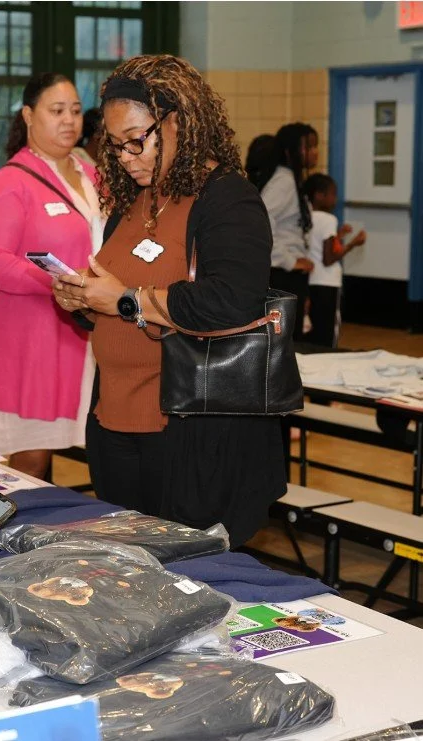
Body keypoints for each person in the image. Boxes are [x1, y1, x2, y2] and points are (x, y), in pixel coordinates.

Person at [52, 54, 286, 548]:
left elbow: (230, 303)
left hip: (189, 434)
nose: (126, 156)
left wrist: (124, 301)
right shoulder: (135, 198)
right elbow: (117, 306)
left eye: (138, 139)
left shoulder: (228, 200)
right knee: (128, 569)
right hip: (116, 421)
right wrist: (83, 301)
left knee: (187, 573)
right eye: (115, 146)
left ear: (178, 121)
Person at [0, 73, 101, 480]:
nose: (69, 121)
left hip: (87, 333)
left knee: (73, 449)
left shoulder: (94, 176)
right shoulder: (10, 181)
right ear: (28, 115)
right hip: (31, 335)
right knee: (27, 461)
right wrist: (56, 281)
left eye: (75, 111)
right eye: (56, 111)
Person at [254, 122, 315, 341]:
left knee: (290, 339)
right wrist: (289, 260)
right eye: (309, 146)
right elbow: (261, 219)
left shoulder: (290, 179)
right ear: (290, 151)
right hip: (283, 274)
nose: (315, 152)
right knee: (286, 341)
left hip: (287, 273)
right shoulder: (285, 181)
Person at [303, 172, 366, 347]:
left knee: (311, 332)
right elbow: (328, 258)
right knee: (328, 334)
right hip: (327, 284)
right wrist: (353, 244)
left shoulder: (305, 216)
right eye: (332, 194)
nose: (335, 199)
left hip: (310, 281)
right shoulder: (329, 219)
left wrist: (338, 235)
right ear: (319, 195)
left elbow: (318, 246)